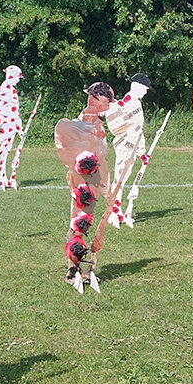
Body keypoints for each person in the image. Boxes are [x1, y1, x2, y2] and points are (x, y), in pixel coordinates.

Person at [55, 82, 113, 286]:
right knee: (80, 220)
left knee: (82, 220)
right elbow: (93, 152)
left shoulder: (94, 120)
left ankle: (78, 267)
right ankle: (73, 269)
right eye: (107, 101)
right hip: (85, 178)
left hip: (91, 177)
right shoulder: (88, 121)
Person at [105, 73, 149, 227]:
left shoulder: (130, 101)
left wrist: (141, 152)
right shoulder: (131, 103)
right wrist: (141, 151)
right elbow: (131, 127)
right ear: (138, 87)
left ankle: (117, 211)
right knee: (120, 178)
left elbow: (137, 128)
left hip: (128, 145)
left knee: (122, 177)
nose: (145, 92)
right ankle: (113, 211)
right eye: (144, 89)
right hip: (126, 145)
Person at [0, 65, 23, 190]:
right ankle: (2, 178)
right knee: (3, 150)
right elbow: (7, 110)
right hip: (6, 124)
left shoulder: (11, 89)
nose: (18, 80)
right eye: (17, 77)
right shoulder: (5, 89)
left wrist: (19, 127)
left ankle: (8, 178)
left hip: (11, 124)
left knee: (8, 149)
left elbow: (15, 110)